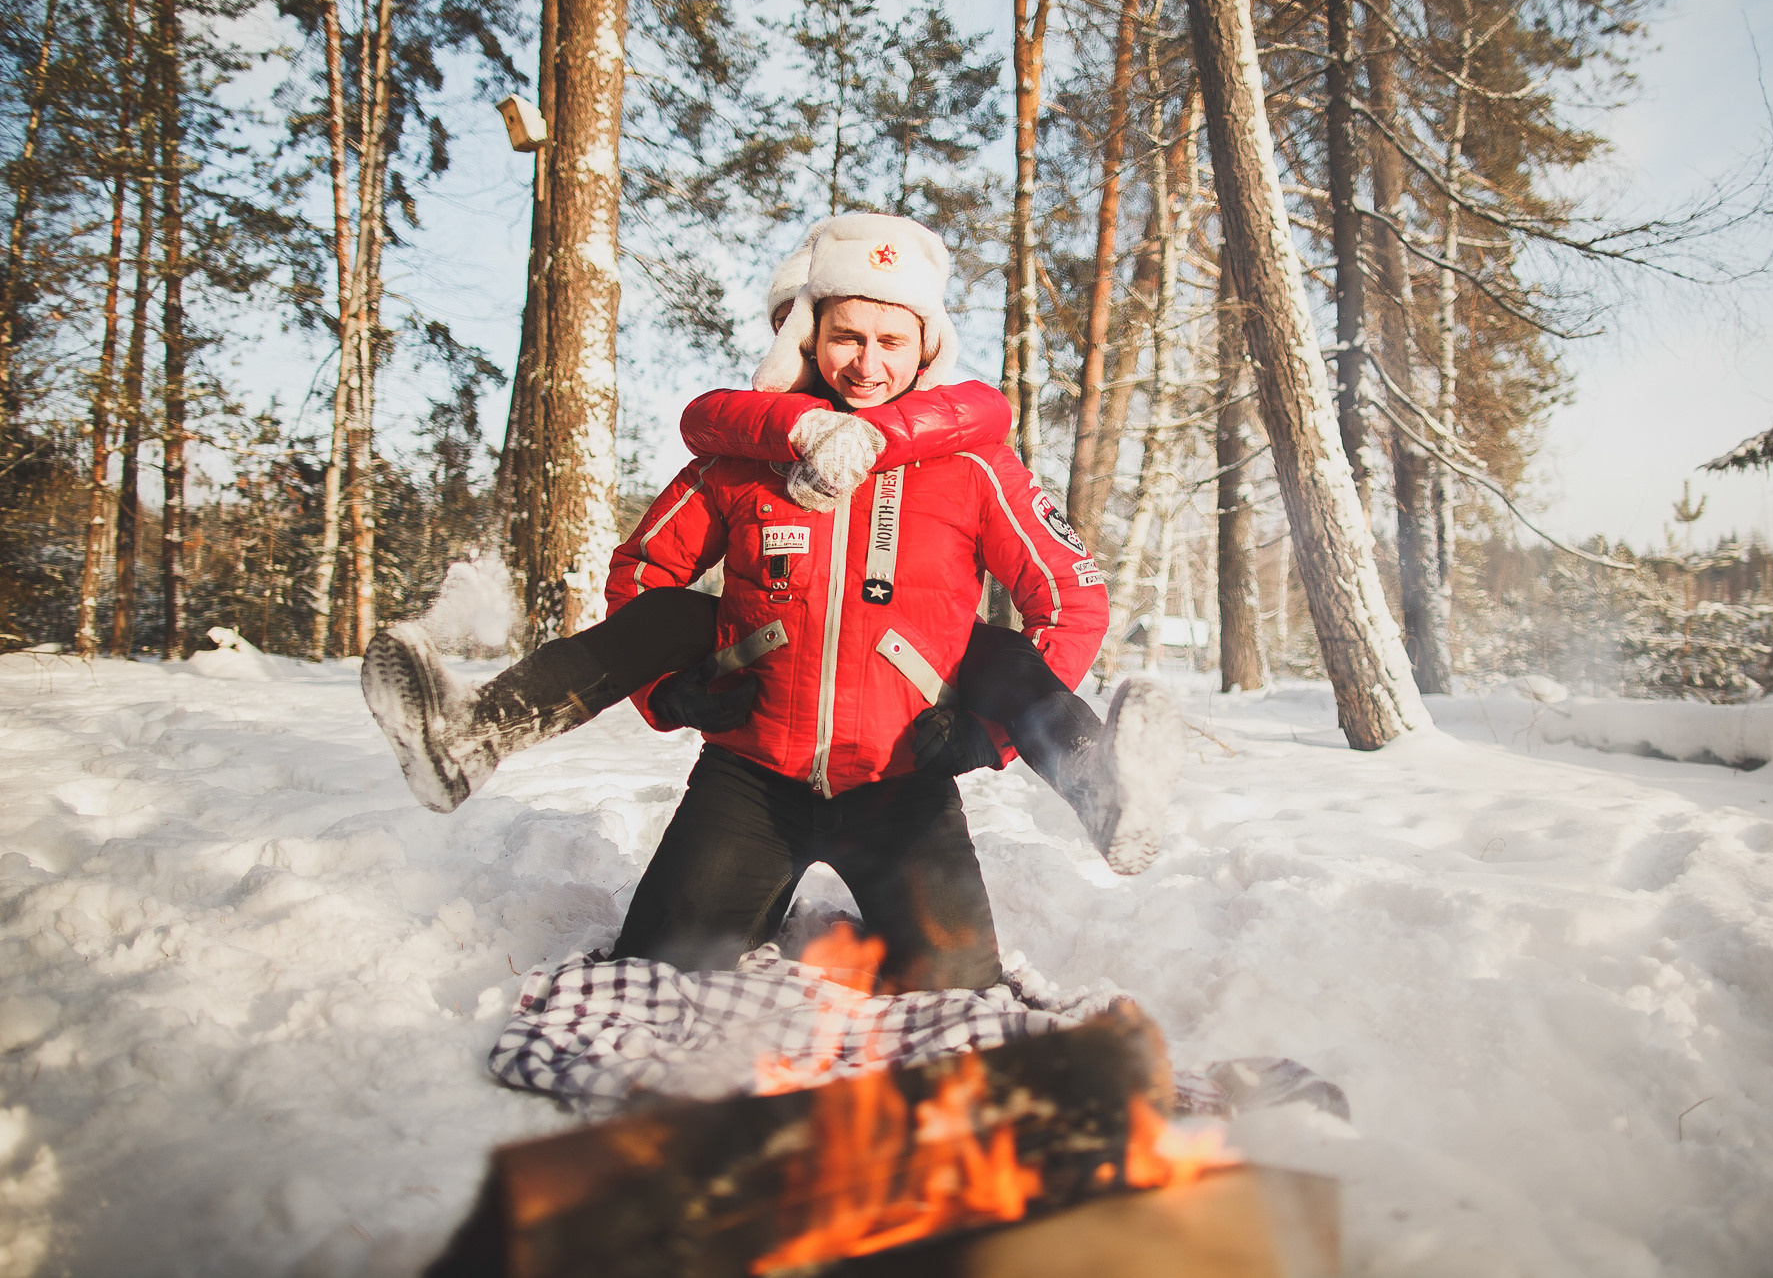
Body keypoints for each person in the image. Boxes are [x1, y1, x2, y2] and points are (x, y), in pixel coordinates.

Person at [362, 216, 1183, 922]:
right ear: (810, 338)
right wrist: (673, 689)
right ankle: (473, 734)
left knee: (953, 991)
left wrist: (987, 734)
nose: (867, 362)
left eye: (891, 341)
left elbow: (1072, 599)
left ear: (925, 346)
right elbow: (643, 573)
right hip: (750, 780)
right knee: (664, 963)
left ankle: (1097, 783)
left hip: (904, 782)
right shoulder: (743, 462)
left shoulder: (974, 465)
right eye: (846, 337)